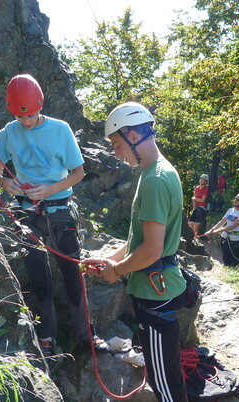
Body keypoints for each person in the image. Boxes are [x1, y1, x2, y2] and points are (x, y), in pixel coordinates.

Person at [0, 74, 106, 357]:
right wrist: (6, 182)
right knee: (38, 274)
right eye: (20, 117)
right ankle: (47, 336)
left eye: (30, 116)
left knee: (71, 271)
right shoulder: (7, 132)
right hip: (26, 212)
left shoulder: (60, 130)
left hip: (60, 208)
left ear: (40, 105)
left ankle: (85, 333)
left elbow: (78, 172)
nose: (26, 122)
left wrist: (51, 188)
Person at [83, 102, 189, 402]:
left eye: (117, 144)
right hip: (158, 286)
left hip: (155, 296)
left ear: (132, 135)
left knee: (163, 380)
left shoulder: (154, 180)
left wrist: (115, 272)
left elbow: (152, 250)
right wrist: (110, 260)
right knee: (162, 372)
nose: (116, 152)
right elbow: (138, 240)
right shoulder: (155, 172)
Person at [204, 192, 239, 266]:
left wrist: (217, 231)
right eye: (235, 198)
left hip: (234, 240)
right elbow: (222, 221)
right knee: (225, 259)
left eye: (238, 200)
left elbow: (232, 227)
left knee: (233, 261)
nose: (235, 200)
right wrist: (211, 230)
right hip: (224, 237)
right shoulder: (230, 210)